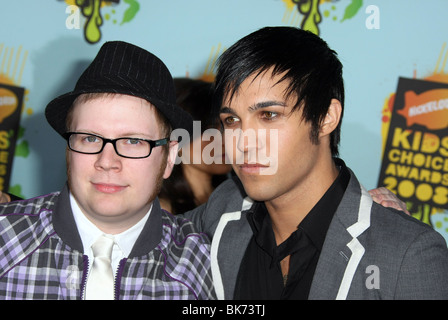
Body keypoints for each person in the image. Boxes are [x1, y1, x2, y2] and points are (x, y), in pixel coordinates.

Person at [182, 26, 448, 299]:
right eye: (231, 120)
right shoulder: (223, 209)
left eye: (269, 115)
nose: (243, 143)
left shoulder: (407, 254)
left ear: (325, 117)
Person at [0, 41, 215, 300]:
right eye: (90, 138)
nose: (107, 161)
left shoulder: (205, 266)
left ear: (169, 157)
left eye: (134, 141)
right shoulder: (5, 239)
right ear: (69, 149)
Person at [159, 78, 232, 214]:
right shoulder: (161, 214)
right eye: (209, 128)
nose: (223, 138)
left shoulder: (240, 200)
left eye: (228, 123)